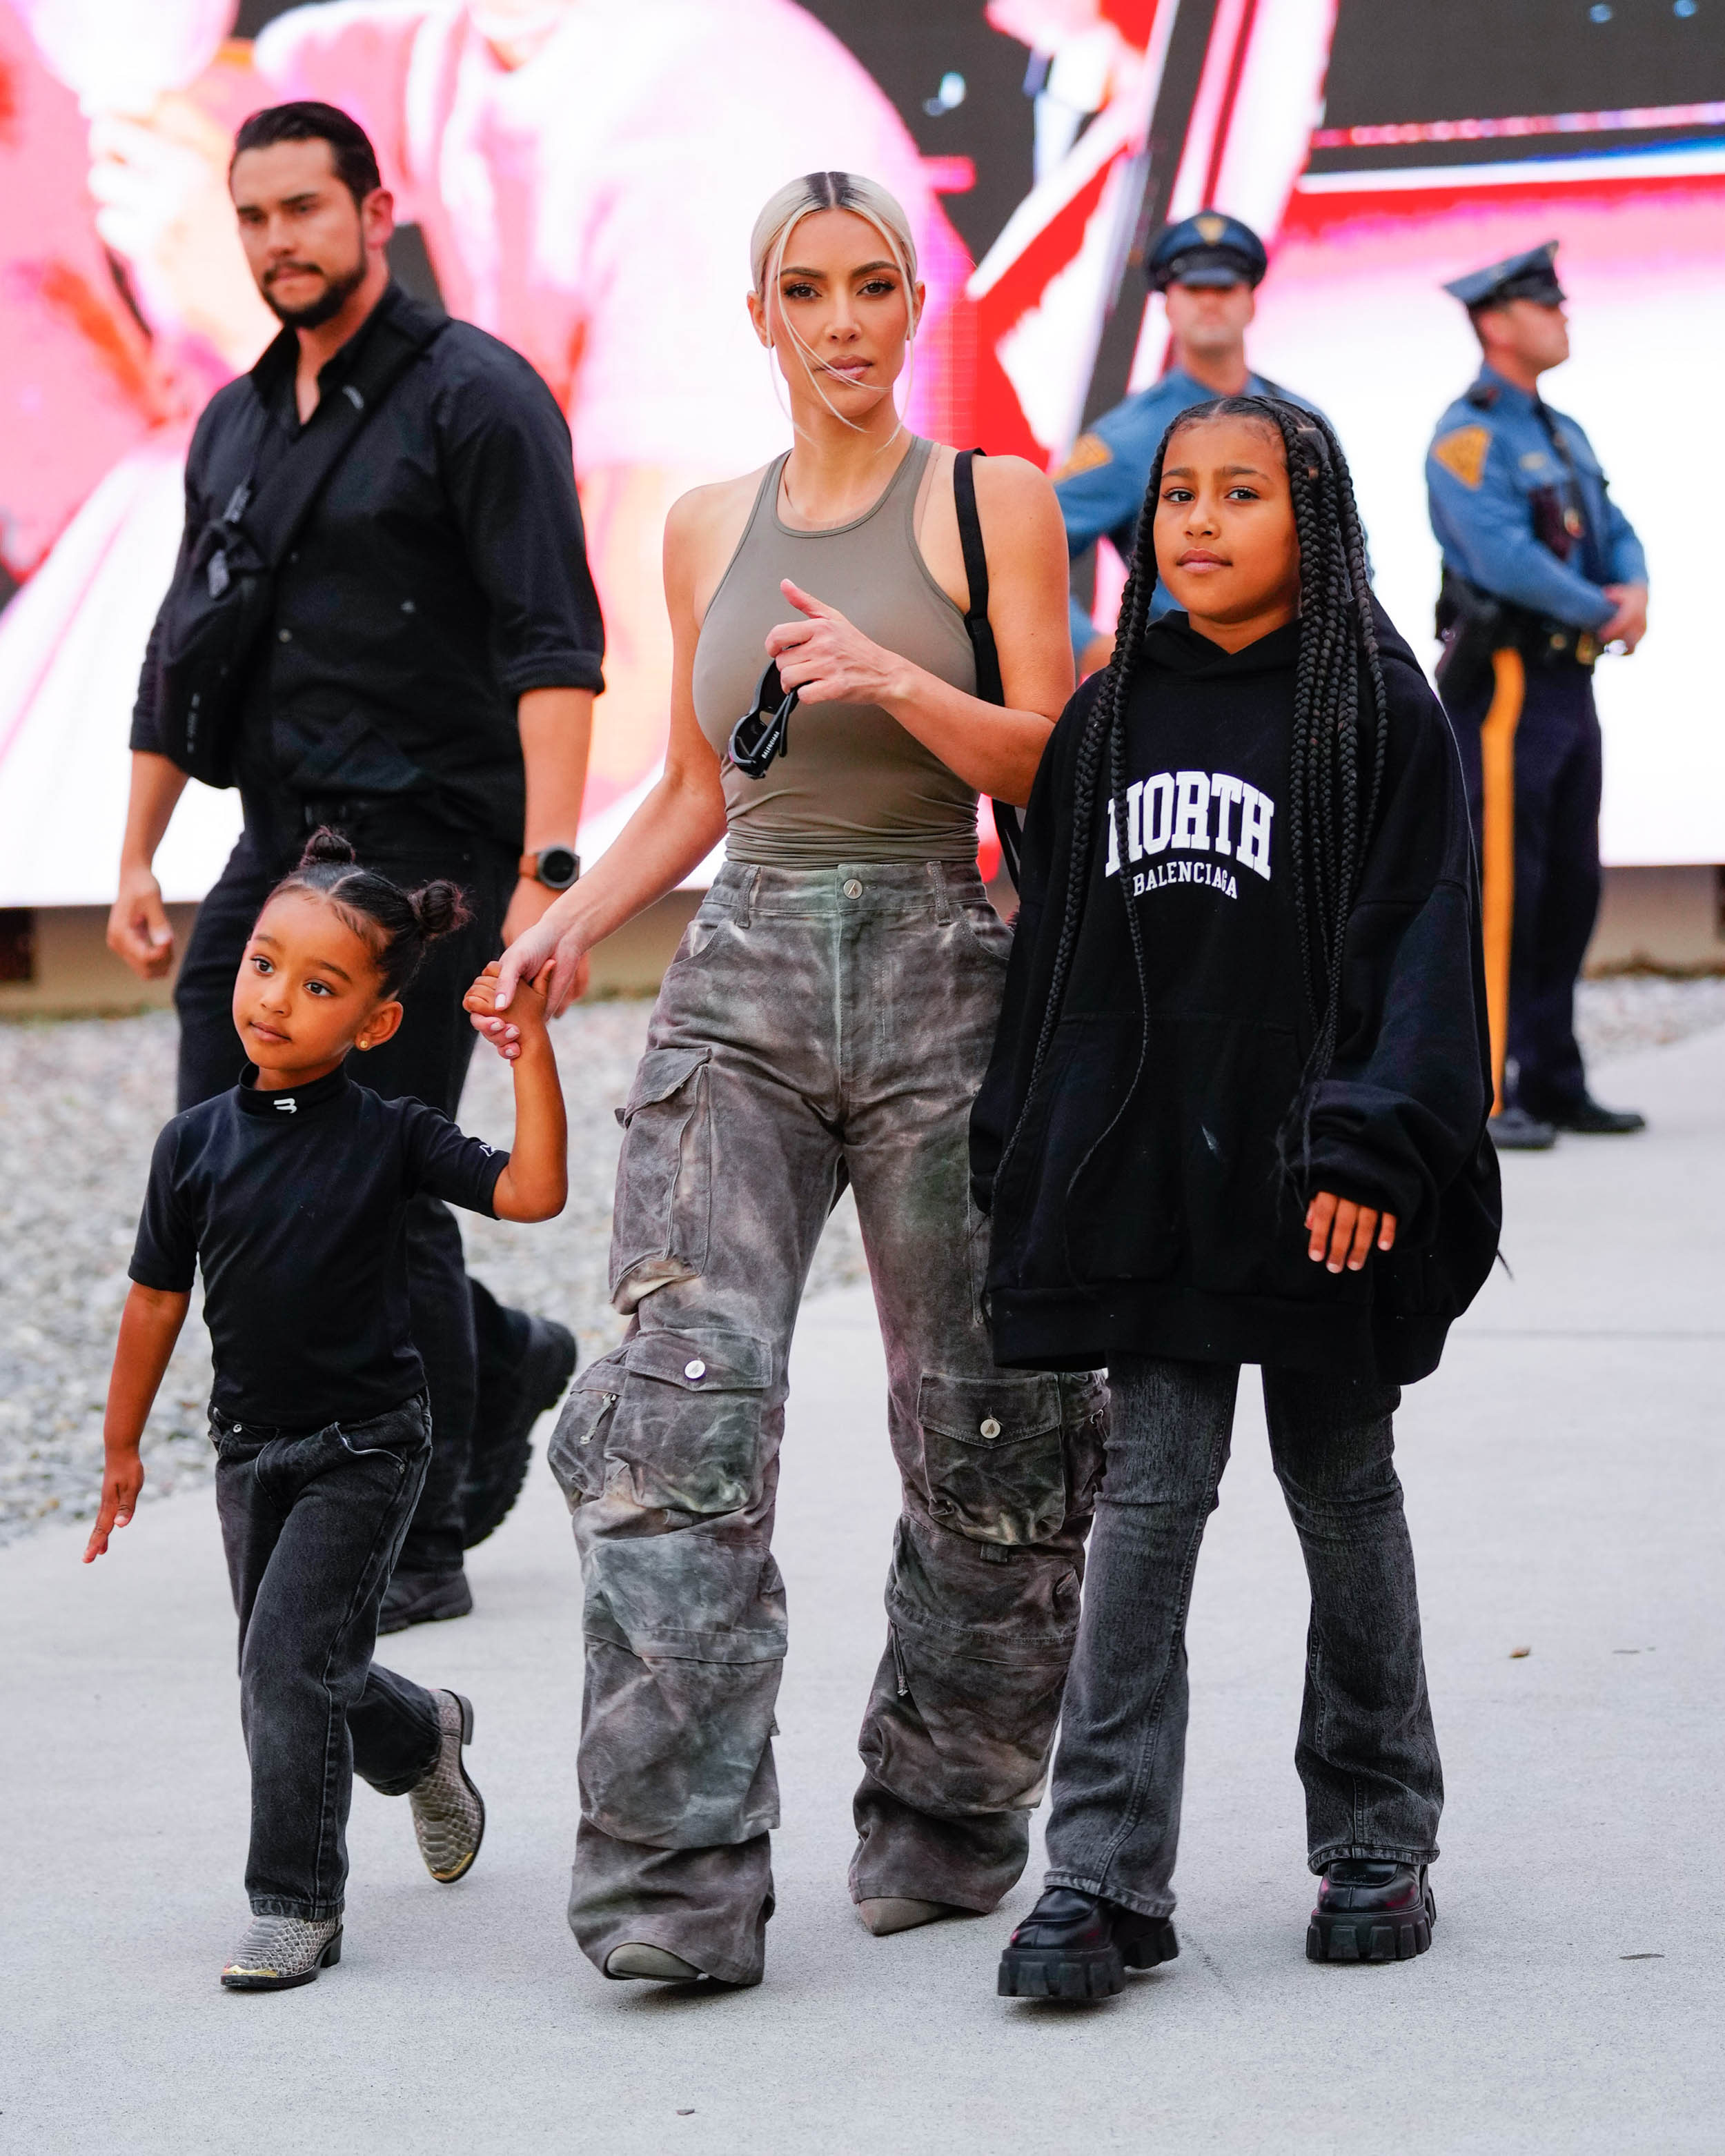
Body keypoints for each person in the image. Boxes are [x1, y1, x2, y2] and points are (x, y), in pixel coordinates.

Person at [473, 170, 1104, 1991]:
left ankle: (947, 1821)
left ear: (913, 304)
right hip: (740, 974)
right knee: (674, 1422)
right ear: (758, 314)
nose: (842, 321)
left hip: (938, 969)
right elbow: (694, 785)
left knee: (991, 1430)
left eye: (872, 285)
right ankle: (672, 1880)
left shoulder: (990, 501)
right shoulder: (703, 523)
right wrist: (562, 926)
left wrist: (892, 674)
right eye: (806, 290)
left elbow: (1048, 765)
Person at [972, 396, 1502, 1999]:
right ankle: (1102, 1872)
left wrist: (1370, 1145)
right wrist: (1024, 1146)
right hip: (1153, 1182)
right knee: (1145, 1505)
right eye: (1178, 494)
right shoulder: (1112, 711)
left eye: (1240, 492)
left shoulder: (1374, 707)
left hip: (1316, 1180)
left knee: (1340, 1491)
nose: (1198, 519)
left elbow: (1419, 939)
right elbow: (1056, 961)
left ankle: (1376, 1835)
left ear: (1311, 517)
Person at [108, 101, 607, 1628]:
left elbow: (553, 645)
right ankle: (499, 1357)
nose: (278, 242)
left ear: (375, 213)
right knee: (237, 1167)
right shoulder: (236, 421)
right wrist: (137, 854)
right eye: (254, 217)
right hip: (278, 852)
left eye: (304, 210)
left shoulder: (478, 396)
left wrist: (546, 877)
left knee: (382, 1187)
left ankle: (421, 1538)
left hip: (433, 854)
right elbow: (185, 653)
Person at [86, 830, 569, 1992]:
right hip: (248, 1450)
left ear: (376, 1023)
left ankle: (295, 1903)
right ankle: (423, 1734)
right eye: (264, 965)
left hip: (369, 1444)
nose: (273, 998)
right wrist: (120, 1443)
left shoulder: (392, 1135)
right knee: (299, 1668)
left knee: (285, 1670)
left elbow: (533, 1192)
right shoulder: (193, 1146)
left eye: (319, 986)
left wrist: (532, 1048)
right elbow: (156, 1301)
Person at [1427, 240, 1649, 1151]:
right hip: (1508, 685)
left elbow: (1615, 527)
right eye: (1544, 304)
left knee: (1569, 886)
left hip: (1568, 683)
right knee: (1501, 893)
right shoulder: (1467, 435)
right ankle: (1485, 1089)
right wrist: (1603, 607)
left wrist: (1634, 587)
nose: (1563, 315)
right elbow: (1501, 557)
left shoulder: (1562, 432)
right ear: (1494, 322)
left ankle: (1553, 1078)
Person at [1053, 211, 1324, 675]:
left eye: (1225, 288)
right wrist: (1089, 648)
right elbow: (1027, 550)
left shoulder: (1304, 422)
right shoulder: (1127, 439)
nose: (1210, 302)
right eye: (1195, 289)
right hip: (1186, 679)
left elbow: (1348, 550)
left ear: (1251, 301)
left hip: (1303, 674)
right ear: (1168, 305)